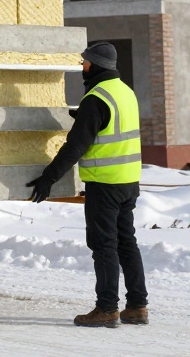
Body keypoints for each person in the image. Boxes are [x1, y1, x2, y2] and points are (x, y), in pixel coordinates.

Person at [25, 41, 148, 328]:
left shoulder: (96, 98)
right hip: (128, 180)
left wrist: (48, 179)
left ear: (94, 65)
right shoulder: (124, 91)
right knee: (127, 243)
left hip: (104, 184)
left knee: (104, 245)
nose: (82, 67)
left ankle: (107, 310)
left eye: (84, 63)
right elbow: (110, 126)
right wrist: (85, 119)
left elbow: (74, 147)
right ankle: (137, 306)